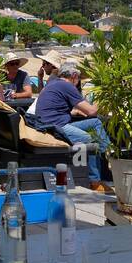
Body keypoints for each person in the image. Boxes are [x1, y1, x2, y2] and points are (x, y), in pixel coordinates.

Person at [32, 62, 112, 192]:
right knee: (92, 140)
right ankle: (95, 181)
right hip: (55, 126)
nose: (78, 82)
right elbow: (91, 111)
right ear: (74, 75)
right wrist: (103, 97)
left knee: (95, 122)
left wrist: (71, 112)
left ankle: (107, 153)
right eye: (79, 78)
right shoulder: (67, 86)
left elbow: (54, 106)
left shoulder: (53, 83)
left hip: (49, 122)